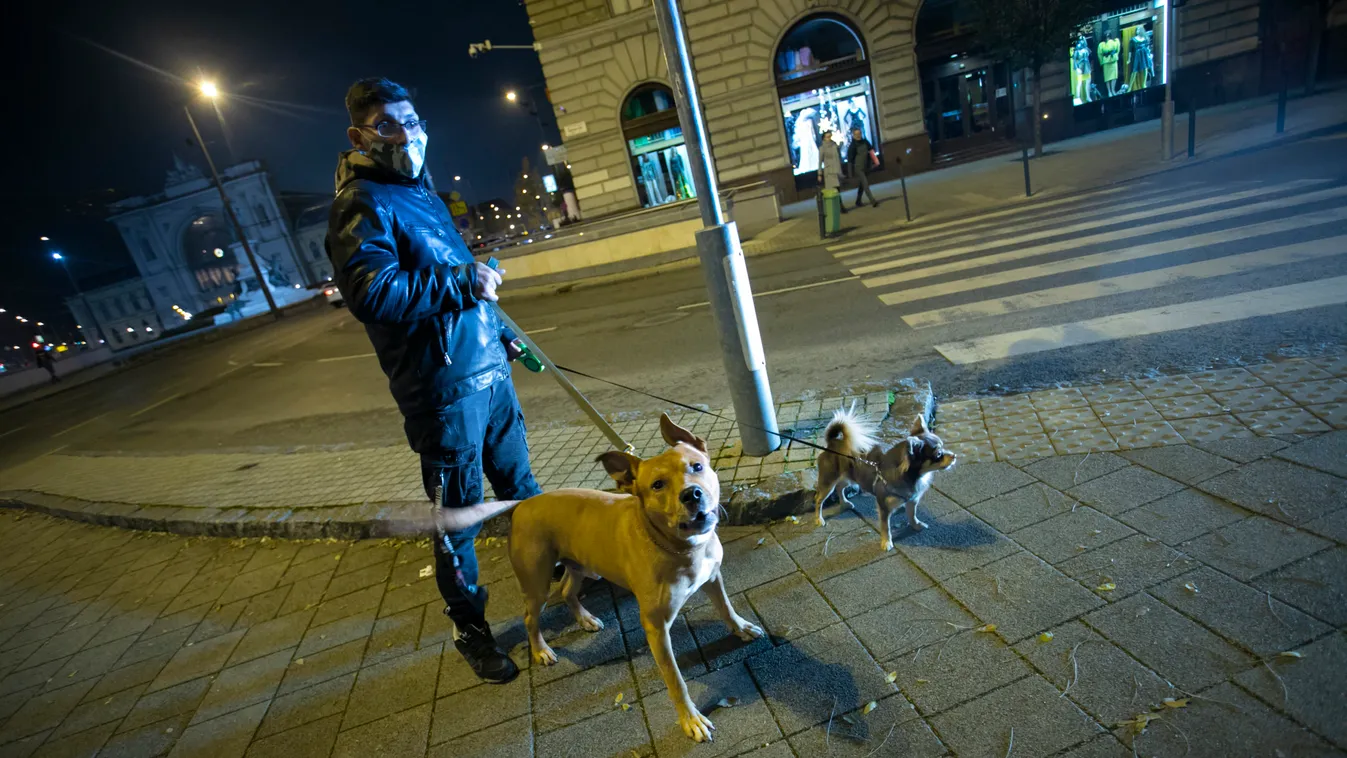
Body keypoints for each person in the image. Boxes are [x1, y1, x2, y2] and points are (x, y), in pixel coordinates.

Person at [326, 78, 541, 684]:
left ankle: (556, 572)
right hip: (442, 394)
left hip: (489, 374)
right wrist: (464, 282)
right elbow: (374, 293)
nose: (407, 135)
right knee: (460, 519)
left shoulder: (419, 191)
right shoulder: (360, 203)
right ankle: (470, 627)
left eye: (413, 120)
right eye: (388, 125)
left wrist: (498, 334)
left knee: (524, 491)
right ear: (359, 137)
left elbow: (457, 283)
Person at [845, 128, 879, 208]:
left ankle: (858, 201)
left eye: (859, 133)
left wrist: (876, 161)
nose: (858, 135)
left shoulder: (865, 142)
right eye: (856, 134)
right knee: (865, 184)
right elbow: (850, 161)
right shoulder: (852, 146)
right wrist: (850, 174)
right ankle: (873, 201)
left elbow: (871, 151)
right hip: (858, 168)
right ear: (853, 135)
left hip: (866, 167)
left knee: (862, 184)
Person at [817, 130, 846, 213]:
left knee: (837, 189)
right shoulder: (822, 148)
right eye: (827, 137)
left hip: (836, 170)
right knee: (833, 190)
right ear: (824, 138)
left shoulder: (834, 145)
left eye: (830, 136)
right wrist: (819, 174)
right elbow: (820, 161)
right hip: (829, 172)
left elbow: (838, 157)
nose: (829, 138)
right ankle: (840, 207)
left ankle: (839, 207)